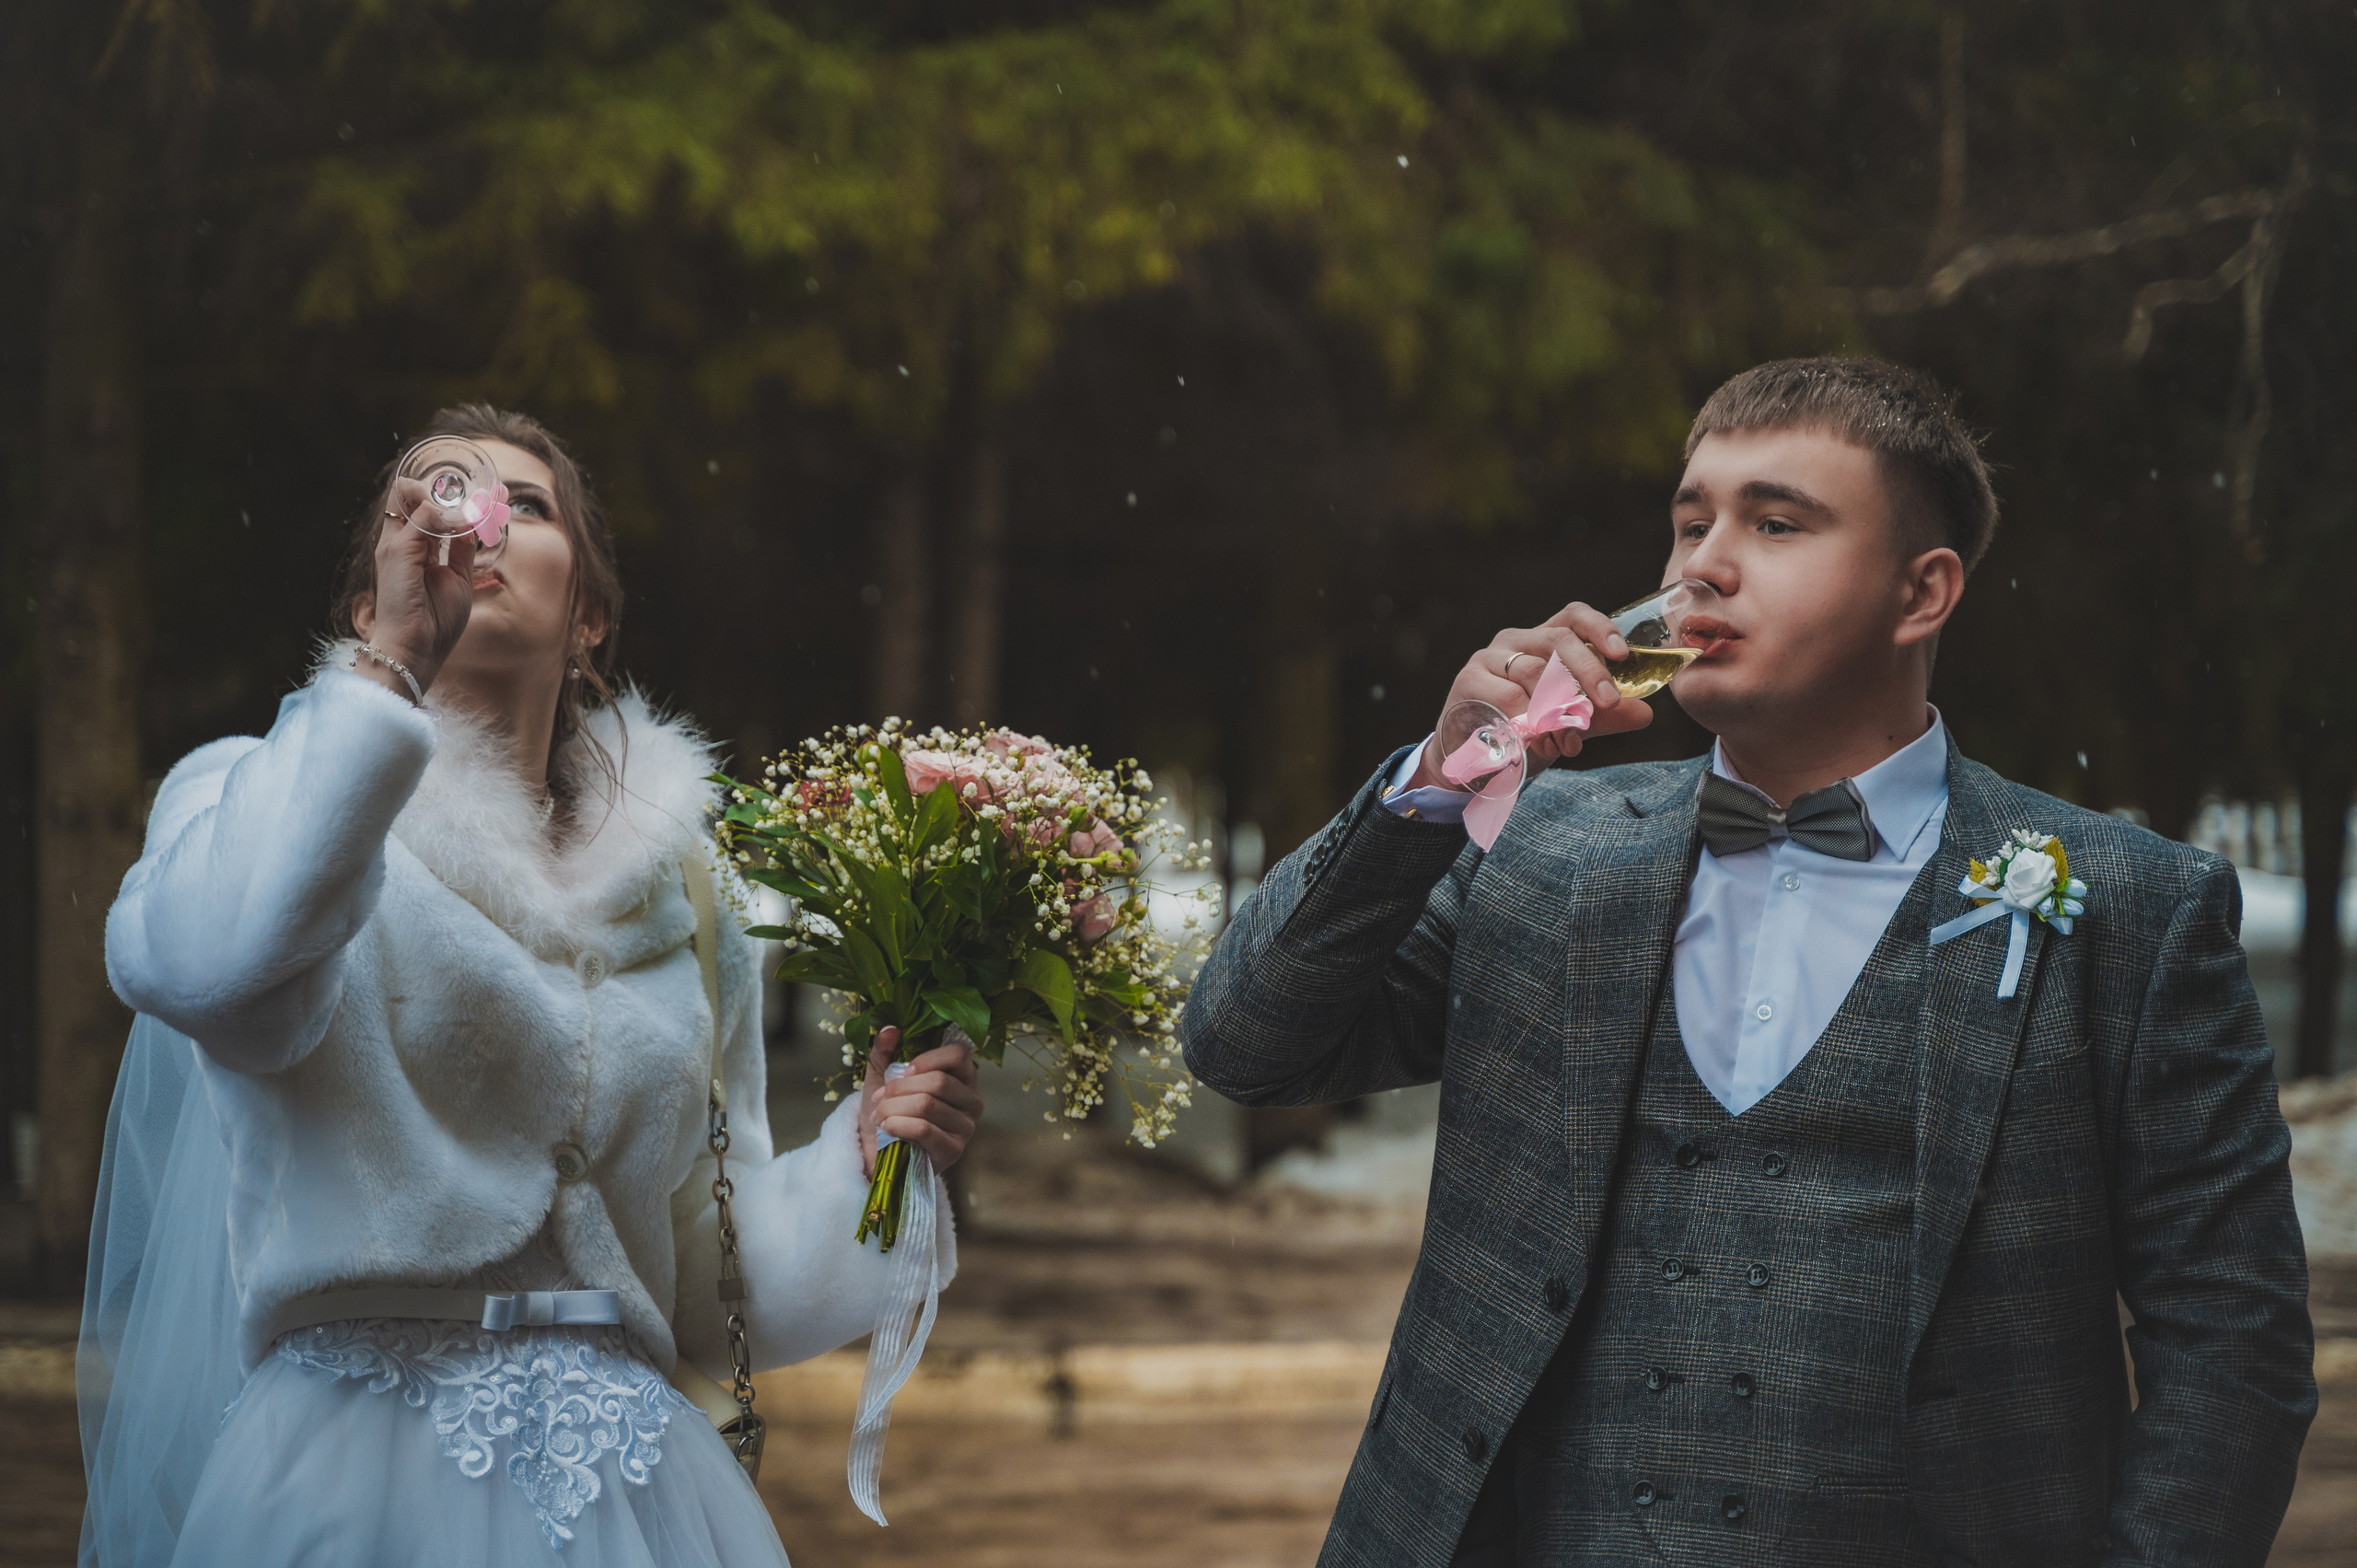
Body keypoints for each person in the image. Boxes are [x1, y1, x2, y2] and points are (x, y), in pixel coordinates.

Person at [1182, 357, 2315, 1566]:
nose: (1701, 566)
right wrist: (1435, 783)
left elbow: (2231, 1345)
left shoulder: (2132, 908)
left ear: (1921, 591)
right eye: (1690, 522)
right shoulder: (1532, 850)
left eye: (1775, 523)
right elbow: (1246, 1039)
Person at [82, 404, 983, 1566]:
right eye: (430, 498)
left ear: (590, 615)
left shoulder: (686, 892)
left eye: (528, 503)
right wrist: (389, 677)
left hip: (639, 1496)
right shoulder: (254, 797)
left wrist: (864, 1165)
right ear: (370, 600)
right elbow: (206, 971)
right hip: (354, 1485)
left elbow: (706, 1284)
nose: (472, 520)